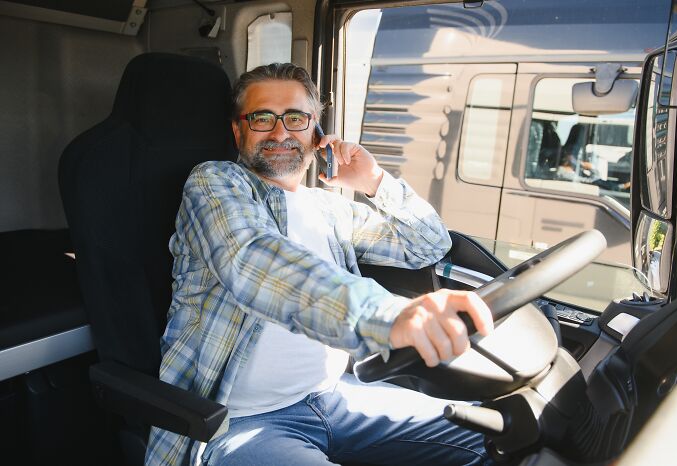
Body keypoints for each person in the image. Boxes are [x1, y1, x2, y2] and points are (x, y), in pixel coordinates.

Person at [145, 63, 494, 466]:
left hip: (335, 396)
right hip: (237, 422)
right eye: (262, 118)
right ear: (239, 131)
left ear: (315, 133)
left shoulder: (329, 209)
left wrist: (373, 181)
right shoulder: (214, 184)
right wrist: (388, 316)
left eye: (295, 118)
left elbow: (428, 243)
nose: (280, 133)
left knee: (495, 435)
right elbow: (253, 261)